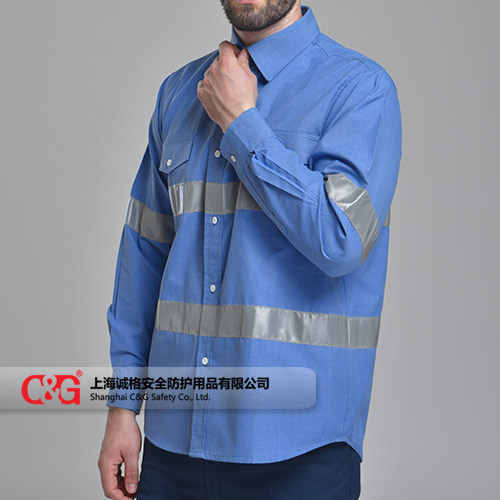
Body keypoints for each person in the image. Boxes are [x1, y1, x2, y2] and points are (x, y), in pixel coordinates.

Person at [98, 1, 402, 499]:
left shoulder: (359, 89)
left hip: (301, 451)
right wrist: (122, 405)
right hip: (174, 447)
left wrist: (242, 123)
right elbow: (143, 256)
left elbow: (341, 240)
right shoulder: (178, 92)